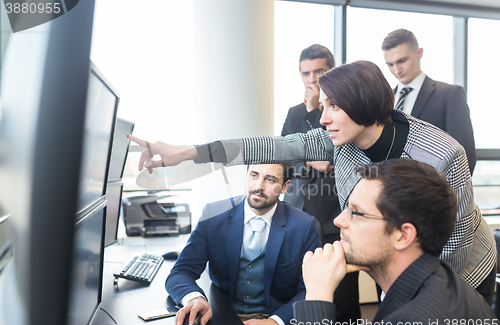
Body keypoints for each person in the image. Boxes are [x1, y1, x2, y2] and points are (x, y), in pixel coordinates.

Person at [128, 60, 496, 306]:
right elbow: (274, 145)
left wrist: (396, 299)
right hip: (399, 268)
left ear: (363, 103)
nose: (322, 118)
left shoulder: (441, 154)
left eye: (333, 106)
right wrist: (189, 151)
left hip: (463, 269)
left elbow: (452, 245)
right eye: (323, 106)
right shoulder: (341, 140)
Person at [293, 159, 498, 325]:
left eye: (355, 212)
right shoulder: (441, 276)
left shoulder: (410, 323)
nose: (338, 220)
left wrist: (317, 295)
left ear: (403, 236)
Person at [165, 163, 321, 325]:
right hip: (220, 318)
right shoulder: (213, 214)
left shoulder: (304, 226)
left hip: (274, 319)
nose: (258, 186)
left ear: (285, 186)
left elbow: (313, 290)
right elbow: (181, 271)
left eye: (270, 179)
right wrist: (195, 298)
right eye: (254, 175)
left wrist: (277, 322)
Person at [280, 44, 359, 325]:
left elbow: (329, 159)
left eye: (319, 72)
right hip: (297, 214)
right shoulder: (292, 113)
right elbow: (284, 158)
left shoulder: (344, 111)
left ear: (332, 72)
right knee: (304, 290)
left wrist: (315, 110)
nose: (312, 80)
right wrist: (307, 161)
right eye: (306, 73)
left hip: (331, 217)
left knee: (342, 296)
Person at [382, 28, 476, 175]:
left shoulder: (449, 95)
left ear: (419, 53)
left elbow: (465, 155)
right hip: (388, 190)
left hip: (434, 191)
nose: (397, 70)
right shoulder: (384, 100)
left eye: (402, 61)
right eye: (390, 64)